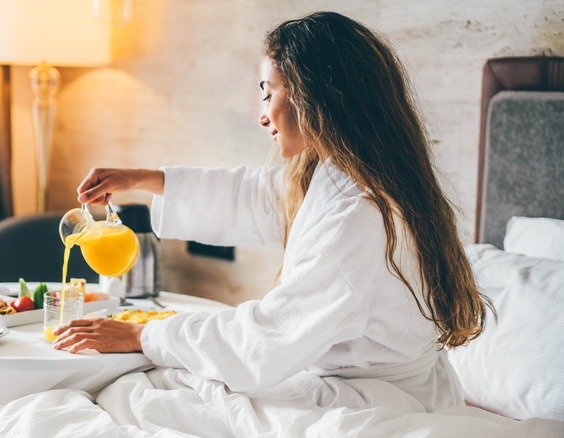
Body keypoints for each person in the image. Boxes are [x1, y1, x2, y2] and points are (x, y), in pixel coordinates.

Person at [52, 11, 492, 412]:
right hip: (369, 387)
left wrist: (145, 335)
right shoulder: (350, 174)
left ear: (316, 97)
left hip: (375, 405)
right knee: (148, 387)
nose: (262, 116)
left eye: (268, 94)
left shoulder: (358, 217)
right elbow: (258, 196)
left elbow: (265, 341)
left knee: (134, 396)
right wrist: (143, 180)